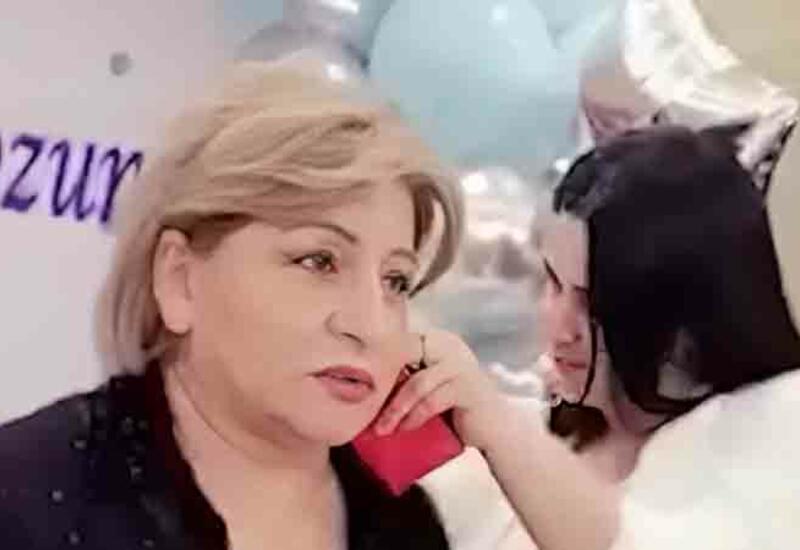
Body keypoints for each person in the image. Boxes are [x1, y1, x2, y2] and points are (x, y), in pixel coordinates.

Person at [0, 61, 463, 550]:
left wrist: (505, 445)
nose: (371, 324)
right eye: (319, 261)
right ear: (180, 280)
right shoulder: (23, 498)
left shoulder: (406, 527)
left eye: (396, 281)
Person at [376, 124, 800, 550]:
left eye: (593, 304)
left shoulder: (769, 435)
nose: (560, 328)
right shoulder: (553, 421)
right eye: (553, 283)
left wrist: (495, 423)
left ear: (689, 320)